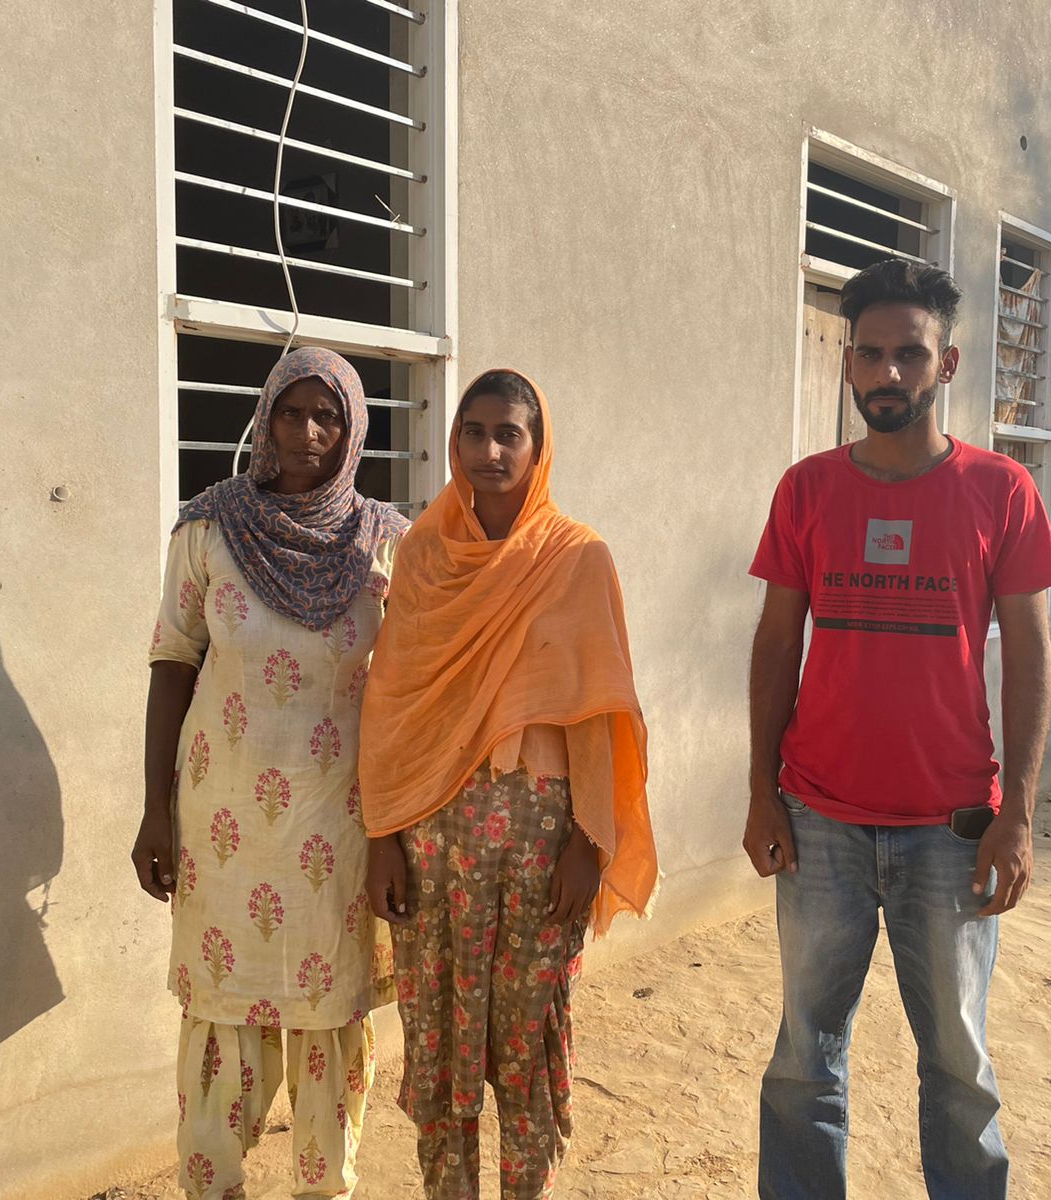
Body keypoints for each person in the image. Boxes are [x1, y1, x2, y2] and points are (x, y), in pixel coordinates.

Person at [744, 259, 1051, 1200]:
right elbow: (775, 642)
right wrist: (761, 791)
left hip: (953, 826)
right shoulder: (806, 491)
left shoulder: (1001, 491)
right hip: (820, 825)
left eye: (910, 355)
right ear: (848, 365)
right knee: (806, 1060)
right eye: (873, 355)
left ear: (948, 362)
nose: (890, 374)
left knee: (960, 1068)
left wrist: (1021, 816)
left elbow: (1033, 656)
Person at [360, 369, 658, 1199]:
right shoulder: (422, 552)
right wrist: (383, 836)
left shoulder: (575, 558)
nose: (488, 451)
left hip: (537, 840)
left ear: (538, 448)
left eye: (509, 434)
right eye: (472, 431)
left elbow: (599, 715)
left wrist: (591, 845)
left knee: (525, 1041)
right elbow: (391, 703)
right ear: (452, 441)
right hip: (431, 833)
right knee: (438, 1037)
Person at [131, 347, 408, 1200]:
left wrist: (401, 828)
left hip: (340, 825)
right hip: (225, 827)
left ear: (354, 429)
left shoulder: (388, 543)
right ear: (266, 416)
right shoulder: (207, 529)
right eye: (294, 411)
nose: (310, 433)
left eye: (330, 416)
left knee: (327, 1019)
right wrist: (153, 812)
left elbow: (413, 690)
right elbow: (172, 663)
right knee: (221, 1008)